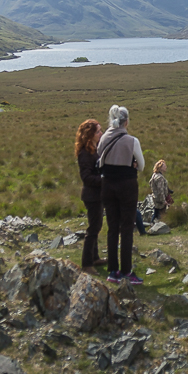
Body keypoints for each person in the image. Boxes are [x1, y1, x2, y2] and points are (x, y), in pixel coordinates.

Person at [96, 105, 145, 285]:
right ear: (127, 122)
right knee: (126, 228)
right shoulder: (132, 141)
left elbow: (100, 159)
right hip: (127, 186)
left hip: (107, 185)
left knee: (112, 228)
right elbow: (141, 166)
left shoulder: (102, 139)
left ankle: (112, 271)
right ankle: (126, 271)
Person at [74, 118, 108, 272]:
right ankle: (87, 263)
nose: (101, 133)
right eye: (99, 131)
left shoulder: (95, 150)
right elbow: (86, 178)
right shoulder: (85, 154)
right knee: (93, 229)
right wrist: (103, 180)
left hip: (97, 195)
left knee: (97, 226)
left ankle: (95, 258)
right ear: (90, 135)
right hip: (91, 196)